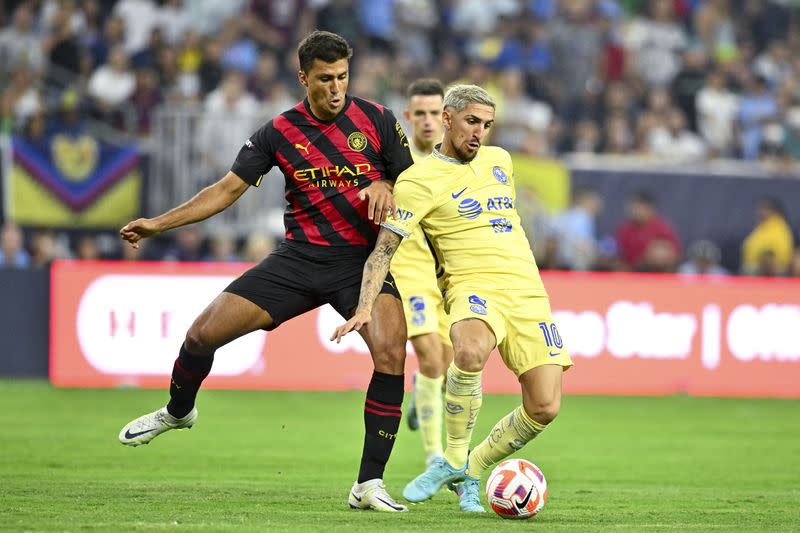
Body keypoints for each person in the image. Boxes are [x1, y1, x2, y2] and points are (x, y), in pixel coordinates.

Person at [118, 31, 412, 513]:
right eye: (325, 79)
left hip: (359, 263)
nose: (336, 88)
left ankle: (368, 483)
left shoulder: (377, 120)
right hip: (297, 260)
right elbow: (225, 190)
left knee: (390, 352)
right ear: (303, 78)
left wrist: (384, 180)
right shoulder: (278, 131)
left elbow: (413, 179)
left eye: (342, 77)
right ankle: (177, 412)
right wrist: (157, 225)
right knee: (200, 336)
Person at [332, 85, 573, 513]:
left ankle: (468, 467)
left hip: (527, 291)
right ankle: (456, 454)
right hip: (471, 286)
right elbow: (383, 250)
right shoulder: (418, 181)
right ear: (447, 118)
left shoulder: (501, 162)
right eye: (471, 122)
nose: (479, 133)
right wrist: (365, 306)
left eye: (486, 125)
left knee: (545, 405)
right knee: (469, 349)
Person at [391, 78, 454, 467]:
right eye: (421, 114)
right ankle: (435, 455)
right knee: (431, 360)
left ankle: (421, 394)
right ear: (408, 117)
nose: (428, 121)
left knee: (445, 367)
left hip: (448, 278)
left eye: (435, 113)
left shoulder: (459, 164)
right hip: (409, 272)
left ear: (446, 118)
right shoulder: (397, 164)